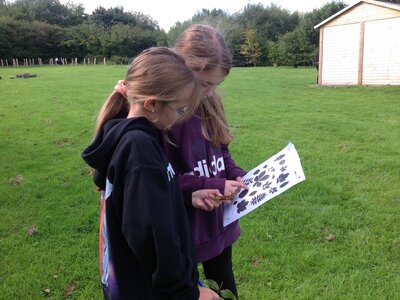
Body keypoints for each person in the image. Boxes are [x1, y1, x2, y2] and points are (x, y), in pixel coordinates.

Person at [81, 47, 220, 300]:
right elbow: (152, 236)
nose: (179, 119)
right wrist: (189, 292)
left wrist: (186, 196)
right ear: (152, 105)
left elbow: (141, 200)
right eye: (179, 110)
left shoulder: (129, 137)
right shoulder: (138, 148)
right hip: (150, 290)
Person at [163, 25, 248, 298]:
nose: (210, 92)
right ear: (181, 69)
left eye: (216, 85)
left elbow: (222, 150)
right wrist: (211, 184)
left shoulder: (210, 104)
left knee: (225, 288)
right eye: (204, 84)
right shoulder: (164, 114)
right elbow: (163, 178)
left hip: (217, 221)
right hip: (183, 226)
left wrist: (234, 174)